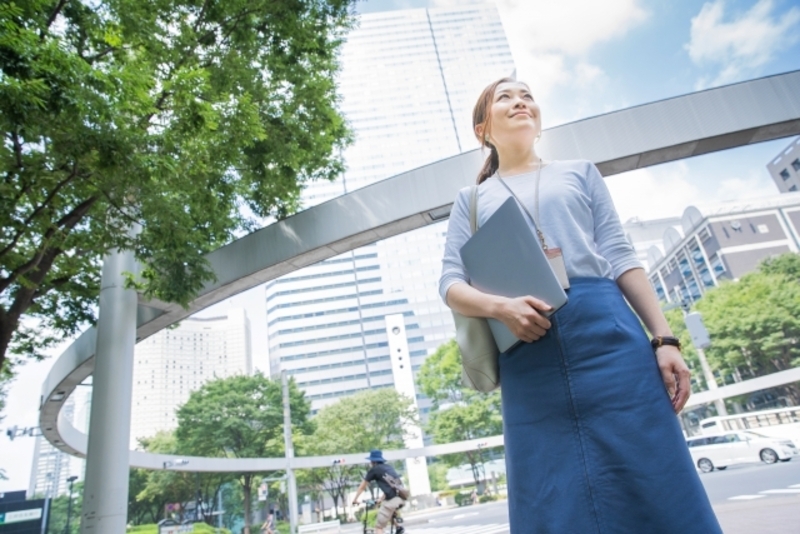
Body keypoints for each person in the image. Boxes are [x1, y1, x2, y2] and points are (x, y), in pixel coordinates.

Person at [439, 77, 723, 533]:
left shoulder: (579, 172)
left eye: (527, 96)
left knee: (653, 470)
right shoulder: (470, 200)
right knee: (549, 487)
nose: (520, 102)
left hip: (609, 336)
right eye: (505, 97)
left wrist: (664, 338)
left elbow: (620, 255)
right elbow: (450, 283)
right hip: (528, 354)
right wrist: (500, 309)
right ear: (482, 130)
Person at [352, 450, 406, 534]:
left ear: (373, 461)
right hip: (402, 497)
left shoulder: (374, 470)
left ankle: (396, 527)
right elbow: (391, 486)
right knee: (386, 509)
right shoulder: (388, 467)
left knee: (379, 527)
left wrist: (355, 499)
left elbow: (362, 487)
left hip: (392, 500)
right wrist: (380, 499)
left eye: (371, 460)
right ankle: (398, 527)